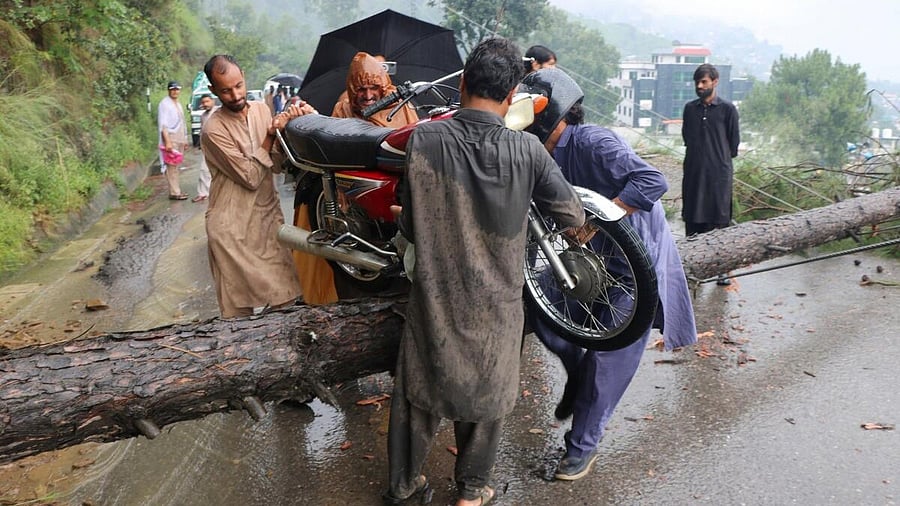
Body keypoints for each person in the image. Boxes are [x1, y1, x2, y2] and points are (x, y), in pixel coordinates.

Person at [384, 37, 586, 506]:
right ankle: (472, 491)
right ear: (513, 92)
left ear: (461, 84)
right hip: (495, 303)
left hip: (433, 298)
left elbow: (411, 226)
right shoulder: (529, 152)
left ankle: (404, 486)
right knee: (488, 389)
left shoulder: (424, 139)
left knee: (418, 391)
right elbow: (571, 217)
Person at [520, 68, 698, 481]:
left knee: (608, 360)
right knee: (540, 307)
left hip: (634, 267)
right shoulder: (541, 155)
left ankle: (581, 446)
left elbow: (653, 180)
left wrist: (598, 220)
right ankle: (576, 371)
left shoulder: (593, 142)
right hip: (587, 263)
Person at [200, 54, 315, 318]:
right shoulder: (213, 130)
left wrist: (293, 124)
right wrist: (271, 135)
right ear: (213, 90)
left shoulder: (262, 110)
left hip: (266, 221)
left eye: (239, 85)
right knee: (238, 317)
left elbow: (274, 165)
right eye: (226, 91)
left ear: (244, 78)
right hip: (231, 230)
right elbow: (251, 177)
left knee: (285, 298)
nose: (236, 95)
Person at [331, 51, 419, 127]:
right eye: (361, 89)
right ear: (352, 90)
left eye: (373, 88)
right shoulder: (342, 110)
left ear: (383, 88)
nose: (368, 96)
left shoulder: (400, 107)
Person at [158, 80, 189, 200]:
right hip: (170, 137)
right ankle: (175, 192)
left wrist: (185, 139)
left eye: (177, 89)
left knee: (176, 166)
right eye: (173, 89)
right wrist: (167, 142)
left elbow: (182, 122)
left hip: (179, 137)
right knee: (171, 166)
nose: (175, 91)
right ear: (169, 90)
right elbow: (163, 125)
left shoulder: (178, 104)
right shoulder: (164, 104)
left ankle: (176, 190)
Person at [192, 94, 215, 203]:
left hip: (219, 147)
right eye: (203, 102)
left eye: (207, 101)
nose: (205, 104)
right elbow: (202, 131)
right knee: (204, 169)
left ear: (212, 101)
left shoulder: (217, 113)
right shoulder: (203, 116)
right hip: (207, 147)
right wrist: (200, 143)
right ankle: (203, 193)